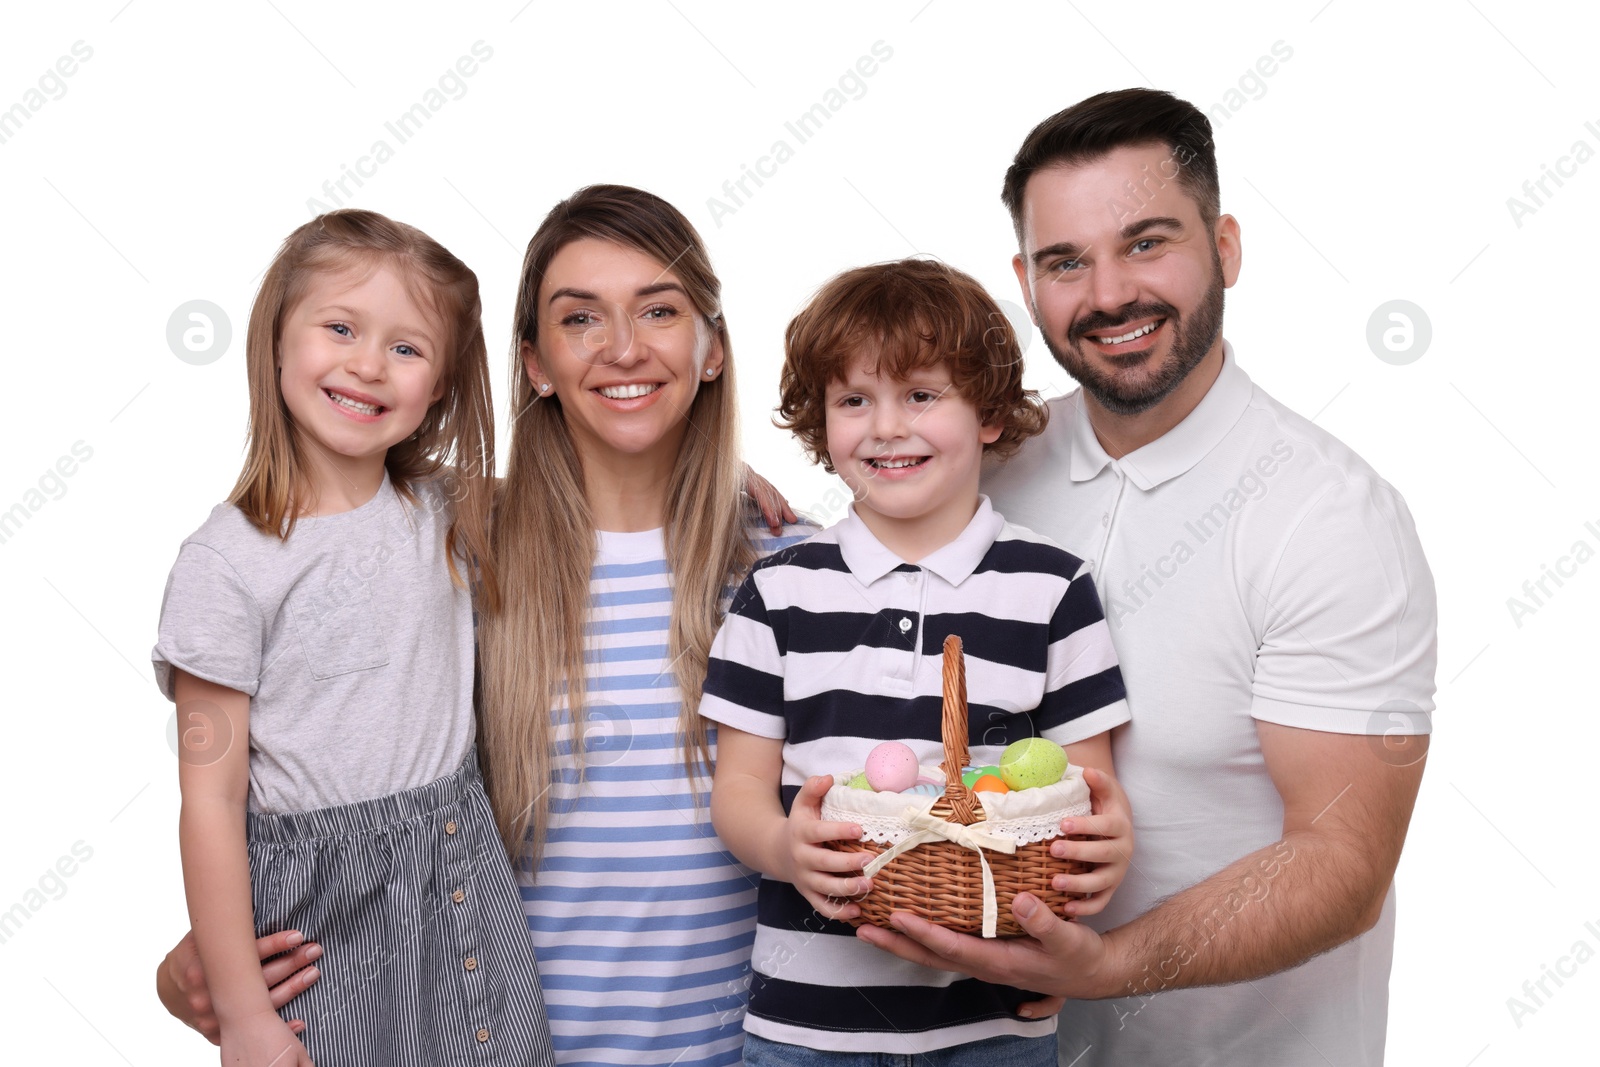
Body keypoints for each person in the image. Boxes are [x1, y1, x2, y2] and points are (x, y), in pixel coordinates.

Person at [154, 185, 807, 1067]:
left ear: (713, 347)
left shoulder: (791, 568)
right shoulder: (469, 543)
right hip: (486, 1030)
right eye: (581, 319)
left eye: (659, 309)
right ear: (534, 364)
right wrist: (211, 977)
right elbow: (293, 770)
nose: (622, 346)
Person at [856, 90, 1437, 1066]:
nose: (1109, 293)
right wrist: (738, 494)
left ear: (1226, 246)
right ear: (1024, 280)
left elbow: (1344, 864)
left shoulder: (1328, 517)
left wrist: (1106, 964)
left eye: (1146, 242)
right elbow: (835, 579)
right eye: (1065, 261)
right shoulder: (989, 472)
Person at [701, 259, 1133, 1065]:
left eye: (922, 395)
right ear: (820, 423)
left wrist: (1104, 855)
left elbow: (1082, 791)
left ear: (990, 415)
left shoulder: (1051, 587)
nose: (886, 427)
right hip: (807, 1026)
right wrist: (784, 847)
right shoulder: (780, 589)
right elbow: (738, 790)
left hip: (992, 1023)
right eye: (853, 400)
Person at [152, 210, 553, 1066]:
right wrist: (244, 1011)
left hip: (462, 881)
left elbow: (592, 491)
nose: (368, 364)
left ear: (441, 386)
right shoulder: (226, 565)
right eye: (340, 327)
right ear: (276, 338)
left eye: (407, 349)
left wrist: (718, 471)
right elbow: (211, 802)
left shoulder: (447, 511)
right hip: (320, 917)